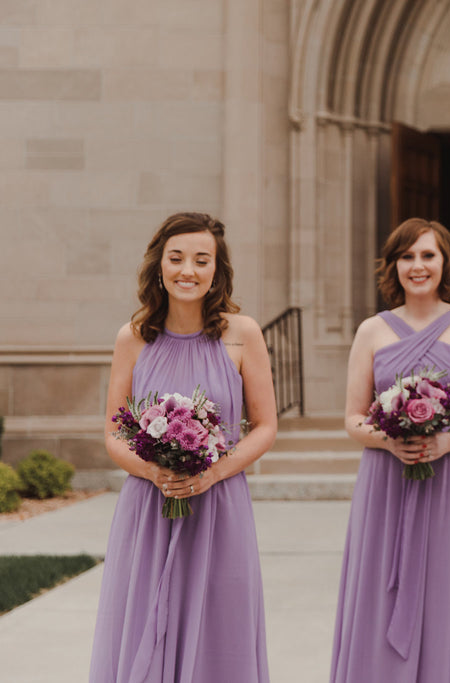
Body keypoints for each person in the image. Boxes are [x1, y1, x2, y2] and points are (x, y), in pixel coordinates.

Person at [90, 212, 277, 682]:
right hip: (149, 507)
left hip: (220, 505)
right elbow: (114, 433)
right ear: (159, 266)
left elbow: (265, 426)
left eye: (201, 260)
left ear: (217, 270)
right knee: (146, 627)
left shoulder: (243, 334)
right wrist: (155, 472)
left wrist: (212, 472)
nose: (187, 270)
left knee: (221, 627)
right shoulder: (132, 339)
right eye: (176, 259)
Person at [330, 218, 450, 682]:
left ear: (445, 262)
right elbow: (352, 419)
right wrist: (392, 437)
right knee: (377, 593)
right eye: (407, 256)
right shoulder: (371, 331)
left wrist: (446, 441)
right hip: (387, 480)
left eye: (428, 255)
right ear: (394, 265)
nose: (417, 265)